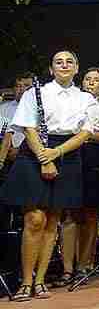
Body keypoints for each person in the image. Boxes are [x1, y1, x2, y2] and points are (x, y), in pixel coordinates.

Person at [2, 51, 94, 301]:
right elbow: (28, 127)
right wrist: (45, 157)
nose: (64, 65)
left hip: (67, 152)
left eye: (70, 62)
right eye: (58, 62)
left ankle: (41, 281)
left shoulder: (86, 98)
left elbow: (85, 133)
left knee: (53, 220)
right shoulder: (35, 93)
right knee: (34, 219)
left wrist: (58, 152)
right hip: (35, 151)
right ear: (51, 69)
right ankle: (25, 281)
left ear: (77, 69)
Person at [59, 67, 99, 286]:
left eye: (96, 80)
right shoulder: (72, 102)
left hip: (95, 158)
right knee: (69, 214)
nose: (90, 83)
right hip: (72, 155)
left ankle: (84, 265)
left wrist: (86, 134)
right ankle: (66, 269)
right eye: (87, 79)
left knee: (90, 214)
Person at [0, 73, 33, 232]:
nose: (21, 89)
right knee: (4, 204)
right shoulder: (4, 108)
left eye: (25, 86)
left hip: (28, 159)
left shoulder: (37, 110)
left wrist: (20, 150)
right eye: (18, 86)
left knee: (23, 208)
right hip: (5, 161)